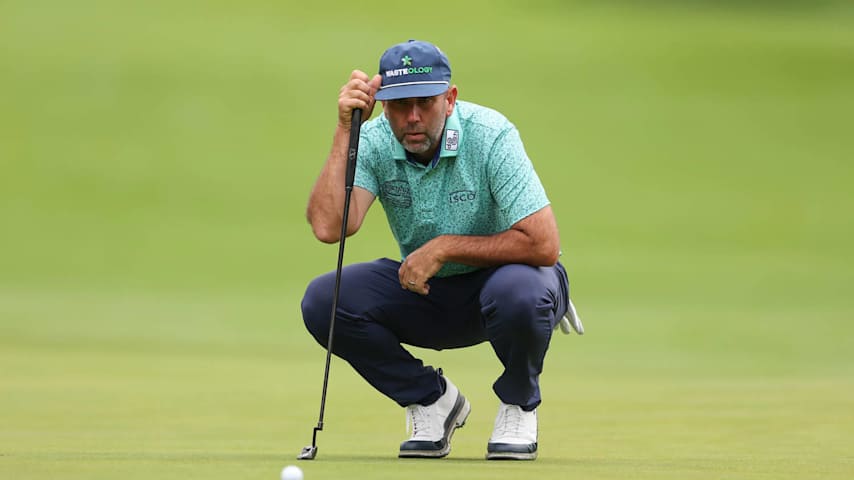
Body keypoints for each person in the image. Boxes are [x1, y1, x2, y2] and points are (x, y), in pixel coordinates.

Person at [301, 39, 573, 460]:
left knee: (521, 290)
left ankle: (519, 403)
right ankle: (431, 400)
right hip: (427, 292)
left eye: (425, 102)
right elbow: (328, 225)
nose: (412, 117)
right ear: (382, 105)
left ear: (449, 99)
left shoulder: (490, 134)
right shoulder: (373, 139)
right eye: (398, 104)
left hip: (505, 286)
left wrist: (445, 248)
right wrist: (345, 131)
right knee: (325, 300)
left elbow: (544, 243)